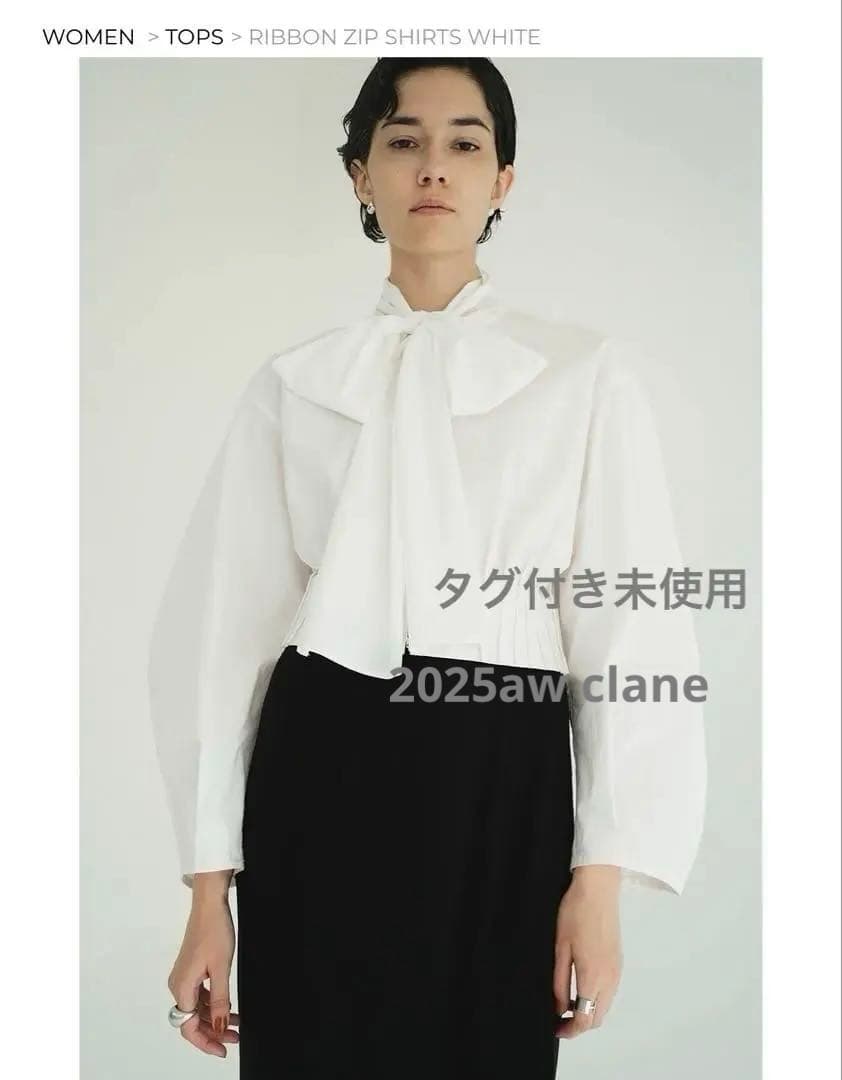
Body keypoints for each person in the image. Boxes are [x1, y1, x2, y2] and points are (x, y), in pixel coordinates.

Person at [147, 57, 706, 1079]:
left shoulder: (582, 374)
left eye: (464, 143)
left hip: (504, 772)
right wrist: (207, 894)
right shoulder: (296, 385)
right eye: (402, 141)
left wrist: (600, 880)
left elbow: (630, 635)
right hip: (322, 770)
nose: (432, 167)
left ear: (503, 179)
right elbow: (219, 638)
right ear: (360, 174)